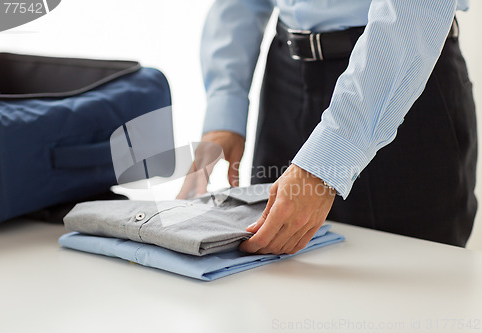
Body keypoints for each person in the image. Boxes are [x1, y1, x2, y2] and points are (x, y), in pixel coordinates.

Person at [177, 0, 477, 254]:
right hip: (286, 81)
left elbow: (413, 12)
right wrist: (226, 105)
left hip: (398, 86)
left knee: (407, 294)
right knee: (274, 292)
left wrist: (329, 161)